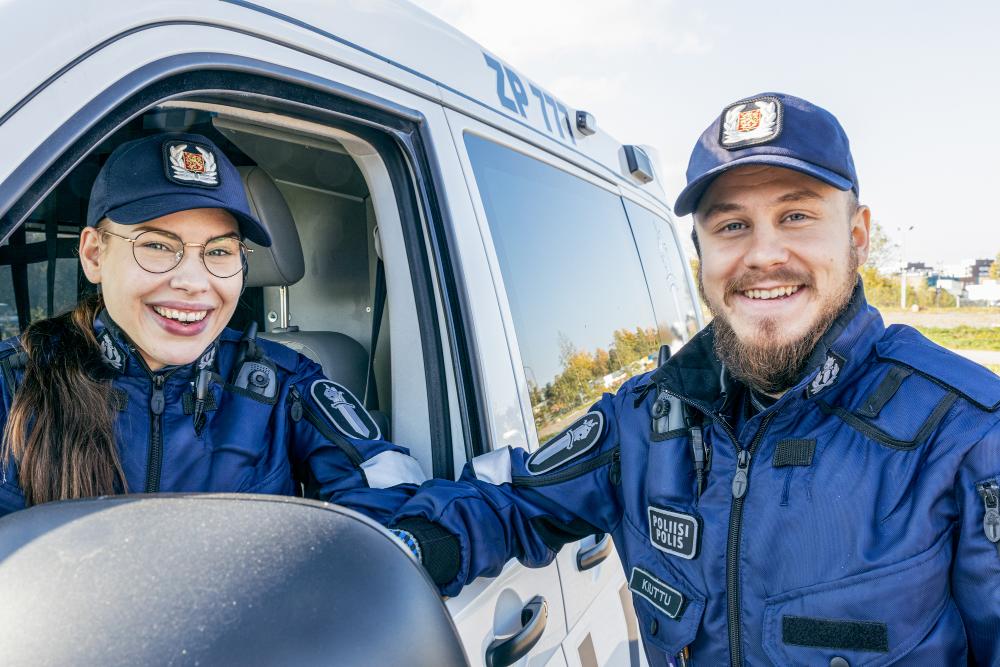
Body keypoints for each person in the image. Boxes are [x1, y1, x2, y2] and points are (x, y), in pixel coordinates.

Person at [387, 94, 1000, 665]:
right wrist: (391, 551)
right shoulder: (648, 419)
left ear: (858, 237)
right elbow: (516, 499)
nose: (763, 255)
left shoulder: (968, 435)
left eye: (796, 216)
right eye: (732, 226)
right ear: (701, 254)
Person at [0, 132, 425, 520]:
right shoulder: (12, 382)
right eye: (157, 245)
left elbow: (396, 512)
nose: (192, 281)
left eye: (219, 252)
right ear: (94, 255)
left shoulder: (282, 385)